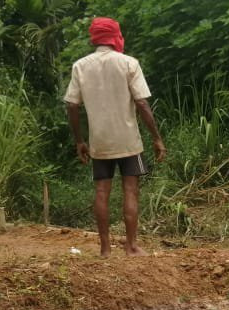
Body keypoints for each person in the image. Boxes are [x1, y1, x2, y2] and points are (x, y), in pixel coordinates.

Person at [64, 17, 166, 257]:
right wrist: (157, 138)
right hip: (129, 141)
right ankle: (131, 247)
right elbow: (141, 102)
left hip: (99, 141)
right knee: (131, 191)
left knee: (101, 192)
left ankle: (105, 248)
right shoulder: (129, 63)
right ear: (115, 36)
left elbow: (71, 105)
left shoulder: (80, 66)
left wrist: (80, 140)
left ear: (95, 37)